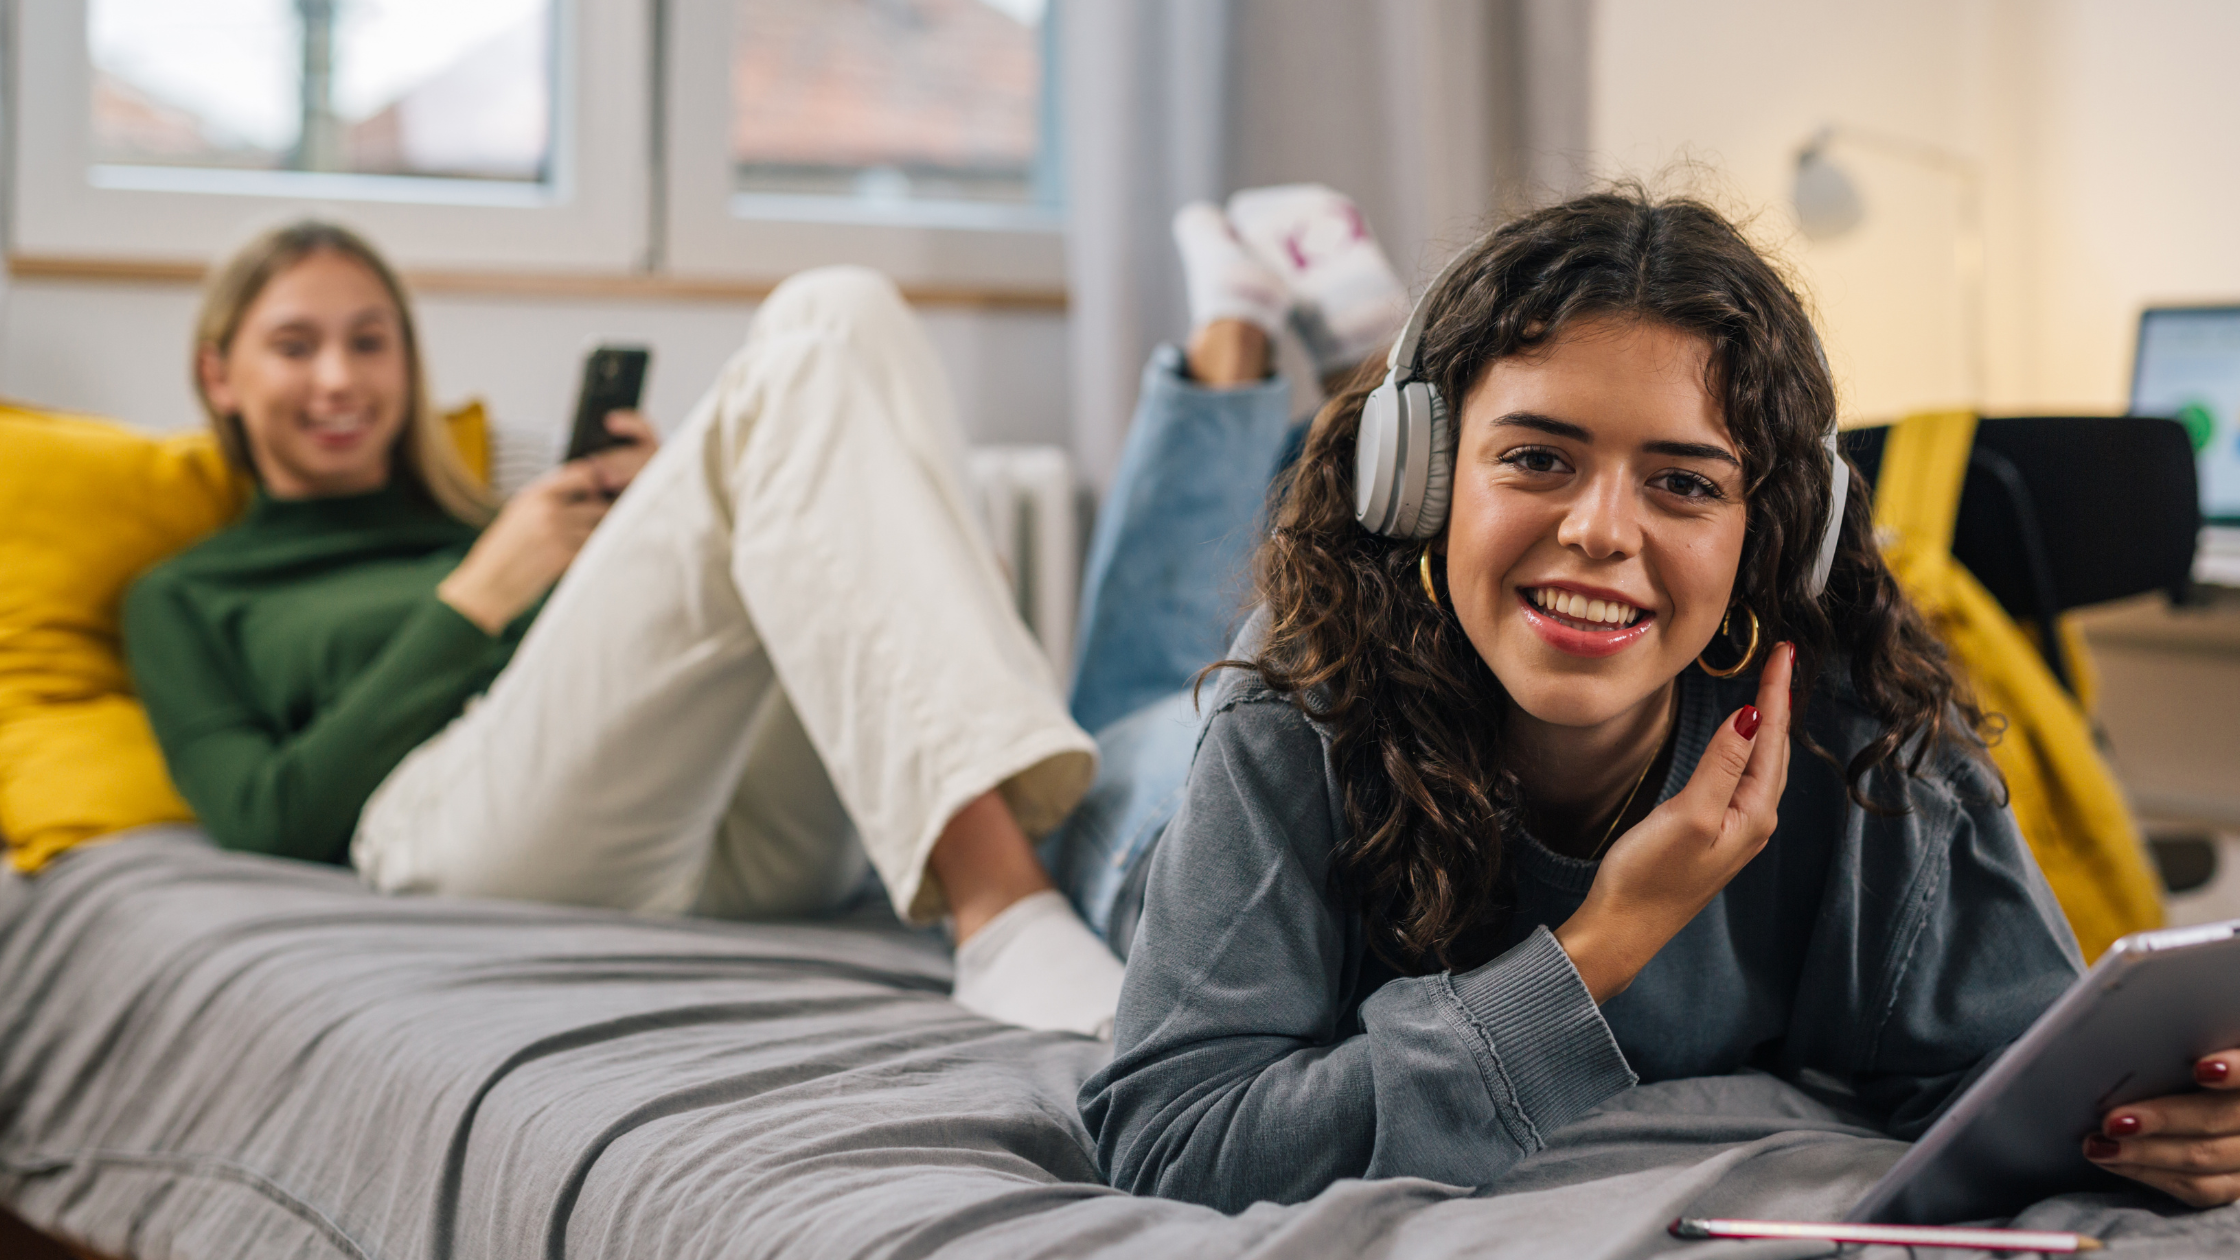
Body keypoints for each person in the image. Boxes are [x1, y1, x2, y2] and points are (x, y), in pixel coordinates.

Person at [1074, 186, 2240, 1212]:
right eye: (1536, 458)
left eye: (1683, 483)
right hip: (1138, 823)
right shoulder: (1296, 694)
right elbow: (1177, 1140)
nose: (1599, 532)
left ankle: (1315, 332)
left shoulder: (1860, 738)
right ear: (1421, 482)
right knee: (1113, 717)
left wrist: (2149, 1135)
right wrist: (1600, 945)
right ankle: (1231, 335)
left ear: (1770, 534)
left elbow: (2005, 1081)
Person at [123, 222, 1123, 1036]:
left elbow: (625, 675)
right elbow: (270, 816)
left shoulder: (504, 520)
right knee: (786, 382)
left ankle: (993, 845)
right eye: (296, 346)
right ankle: (1002, 908)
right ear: (221, 377)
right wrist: (475, 597)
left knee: (837, 301)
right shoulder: (188, 593)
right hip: (472, 833)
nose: (338, 378)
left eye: (369, 341)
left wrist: (661, 525)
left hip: (737, 836)